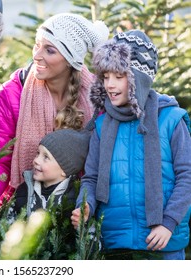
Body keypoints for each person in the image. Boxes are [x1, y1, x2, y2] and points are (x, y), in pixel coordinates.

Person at [71, 30, 191, 260]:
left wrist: (168, 223)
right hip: (117, 246)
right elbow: (92, 178)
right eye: (105, 76)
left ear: (138, 78)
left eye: (119, 76)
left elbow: (188, 175)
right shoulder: (101, 125)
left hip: (163, 245)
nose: (110, 85)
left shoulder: (172, 120)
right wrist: (85, 205)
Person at [0, 13, 109, 209]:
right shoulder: (12, 95)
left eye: (49, 50)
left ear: (70, 59)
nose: (37, 55)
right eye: (36, 45)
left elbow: (101, 162)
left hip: (77, 209)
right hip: (22, 207)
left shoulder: (97, 97)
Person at [6, 128, 91, 223]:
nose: (36, 160)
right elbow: (6, 226)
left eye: (46, 157)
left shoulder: (74, 201)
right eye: (38, 153)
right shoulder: (24, 191)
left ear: (64, 170)